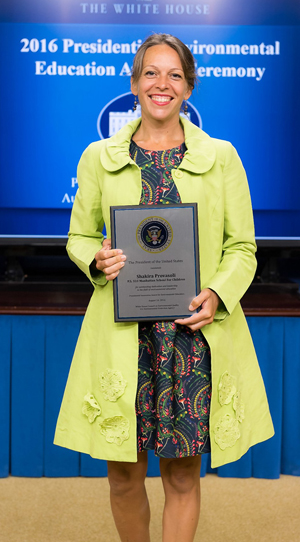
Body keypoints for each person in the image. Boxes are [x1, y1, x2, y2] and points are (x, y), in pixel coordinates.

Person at [54, 33, 274, 542]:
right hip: (121, 337)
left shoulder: (222, 157)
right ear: (134, 83)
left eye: (174, 74)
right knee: (123, 476)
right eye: (151, 72)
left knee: (181, 474)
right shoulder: (98, 156)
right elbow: (80, 237)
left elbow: (242, 248)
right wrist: (96, 257)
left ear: (189, 88)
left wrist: (217, 294)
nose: (162, 83)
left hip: (191, 337)